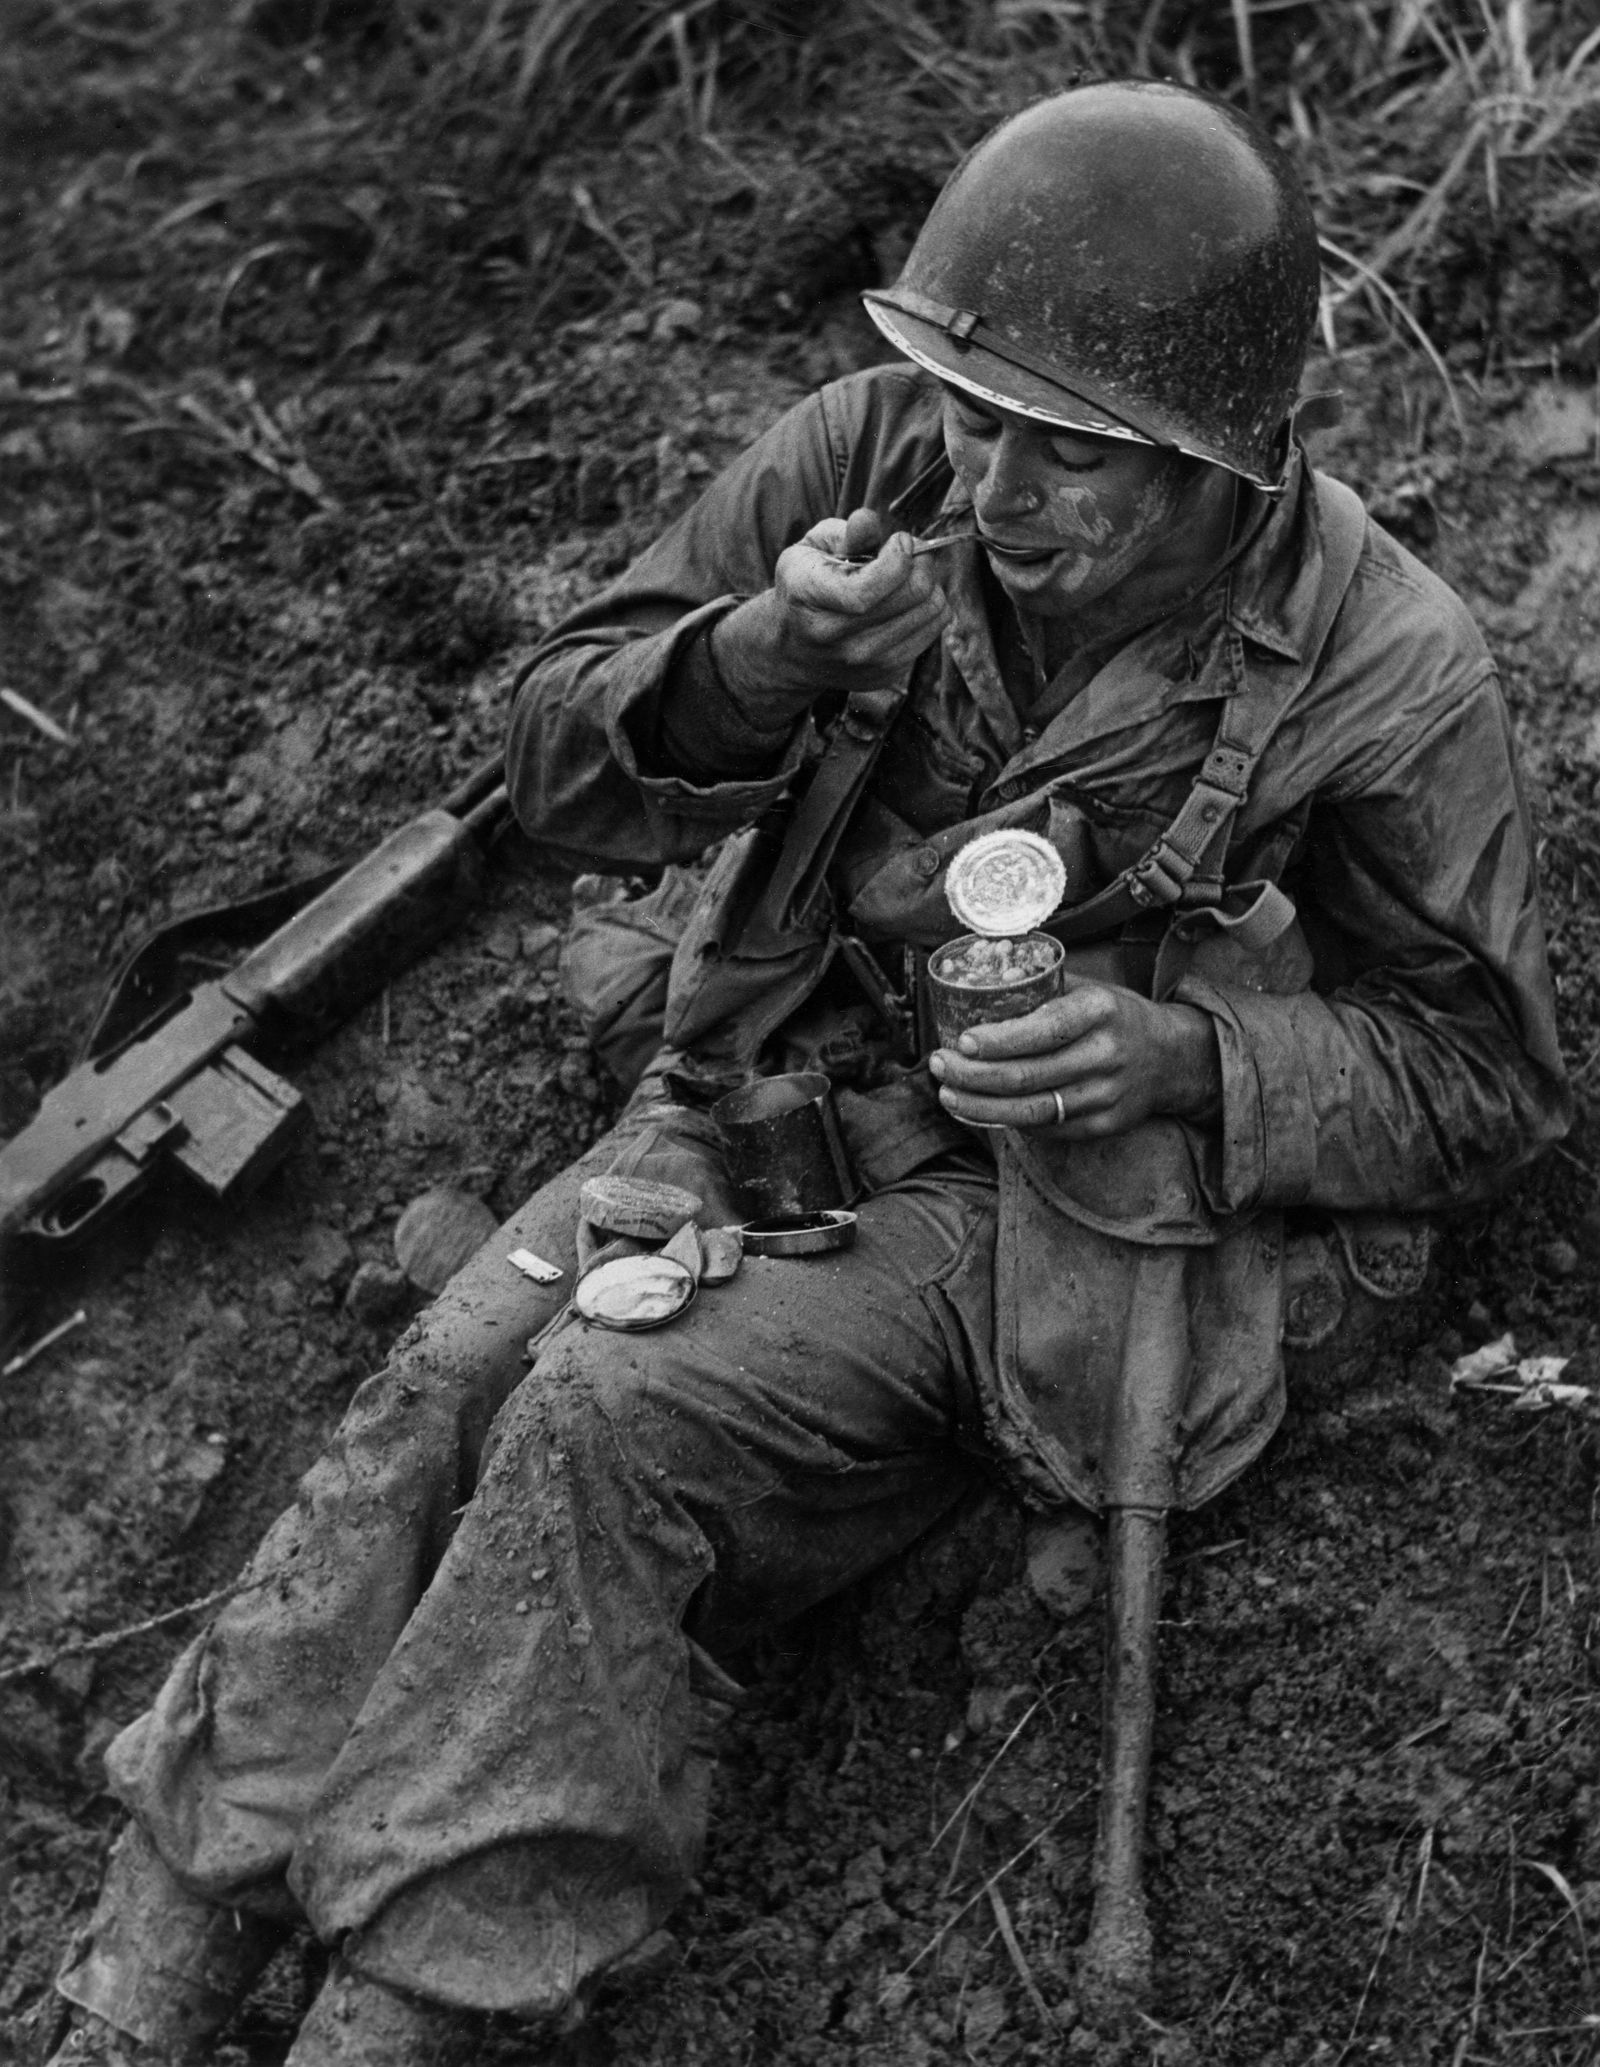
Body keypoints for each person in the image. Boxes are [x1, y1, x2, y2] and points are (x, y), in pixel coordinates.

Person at [41, 79, 1567, 2066]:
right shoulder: (872, 458)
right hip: (747, 1099)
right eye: (969, 413)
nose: (995, 490)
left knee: (604, 1408)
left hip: (1031, 1204)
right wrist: (761, 652)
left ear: (1218, 460)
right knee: (436, 1387)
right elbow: (543, 759)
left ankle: (405, 2009)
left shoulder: (1384, 664)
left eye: (1070, 456)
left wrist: (1186, 1050)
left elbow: (1482, 1076)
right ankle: (137, 1987)